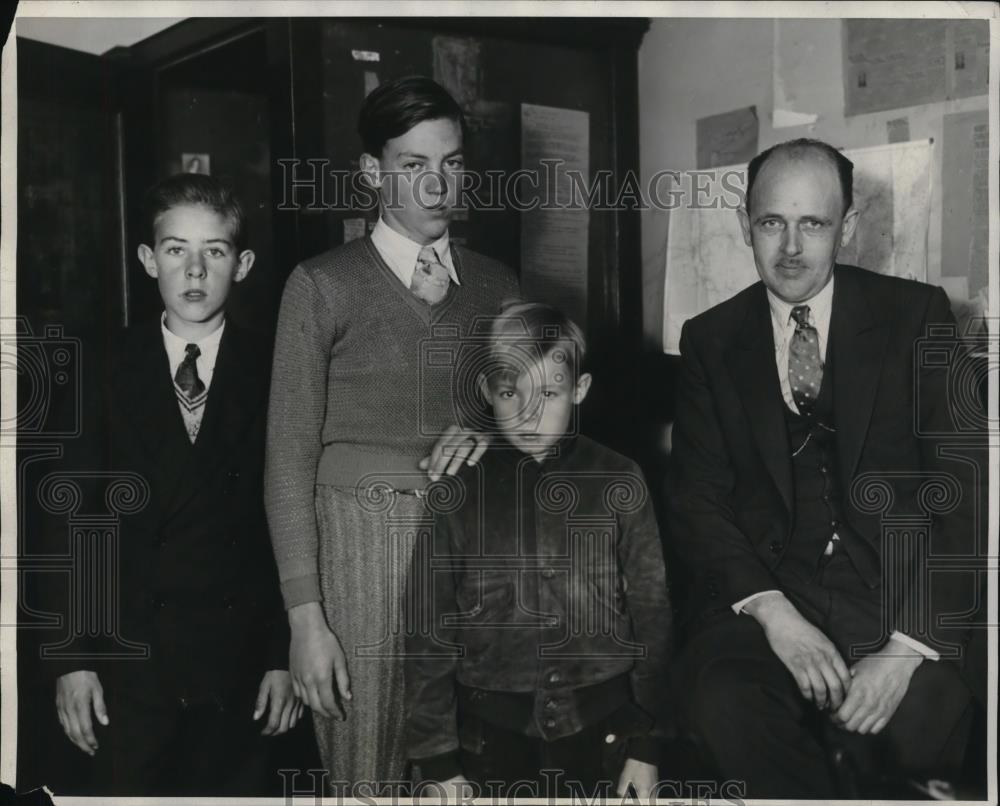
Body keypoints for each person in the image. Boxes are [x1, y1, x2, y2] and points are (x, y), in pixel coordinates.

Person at [667, 138, 984, 798]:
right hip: (771, 592)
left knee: (916, 727)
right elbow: (699, 502)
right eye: (770, 222)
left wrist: (903, 651)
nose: (789, 248)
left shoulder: (917, 316)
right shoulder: (710, 338)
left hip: (896, 603)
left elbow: (967, 496)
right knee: (723, 698)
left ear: (849, 226)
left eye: (812, 223)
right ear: (743, 225)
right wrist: (777, 617)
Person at [265, 75, 519, 792]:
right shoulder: (321, 285)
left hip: (476, 556)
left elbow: (545, 425)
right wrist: (306, 622)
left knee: (471, 769)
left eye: (453, 162)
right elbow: (287, 460)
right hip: (362, 564)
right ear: (372, 172)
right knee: (368, 772)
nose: (438, 185)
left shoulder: (500, 285)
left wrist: (490, 433)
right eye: (414, 165)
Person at [48, 173, 298, 795]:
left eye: (213, 251)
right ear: (146, 259)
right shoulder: (102, 367)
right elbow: (72, 522)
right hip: (131, 663)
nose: (193, 271)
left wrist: (281, 653)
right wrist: (73, 658)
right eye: (175, 249)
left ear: (241, 265)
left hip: (240, 666)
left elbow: (293, 521)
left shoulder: (278, 368)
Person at [405, 301, 672, 801]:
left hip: (604, 731)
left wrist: (648, 744)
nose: (529, 412)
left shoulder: (619, 477)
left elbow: (653, 615)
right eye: (512, 392)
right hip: (490, 738)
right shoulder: (458, 490)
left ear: (580, 391)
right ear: (489, 391)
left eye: (548, 393)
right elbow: (428, 630)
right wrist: (438, 762)